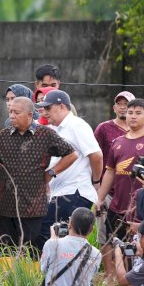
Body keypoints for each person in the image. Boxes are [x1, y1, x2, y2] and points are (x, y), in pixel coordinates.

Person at [0, 97, 78, 256]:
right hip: (5, 204)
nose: (12, 116)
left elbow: (71, 154)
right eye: (10, 112)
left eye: (17, 112)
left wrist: (51, 173)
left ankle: (28, 280)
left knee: (31, 252)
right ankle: (6, 280)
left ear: (30, 115)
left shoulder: (45, 134)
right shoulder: (2, 136)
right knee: (4, 251)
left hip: (33, 207)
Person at [96, 98, 144, 280]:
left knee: (140, 251)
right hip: (117, 205)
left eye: (138, 113)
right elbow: (110, 173)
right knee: (118, 246)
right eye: (130, 113)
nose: (133, 117)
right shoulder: (117, 142)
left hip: (142, 209)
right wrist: (99, 199)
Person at [38, 90, 103, 242]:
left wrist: (95, 181)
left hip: (75, 191)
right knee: (52, 236)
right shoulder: (55, 128)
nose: (44, 113)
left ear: (61, 106)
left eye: (48, 108)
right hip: (60, 191)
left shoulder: (76, 125)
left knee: (50, 235)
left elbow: (96, 155)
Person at [93, 90, 134, 278]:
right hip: (107, 190)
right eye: (120, 103)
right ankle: (109, 274)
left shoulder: (140, 131)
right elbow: (95, 155)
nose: (123, 107)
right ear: (114, 107)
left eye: (128, 104)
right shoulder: (104, 128)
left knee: (130, 235)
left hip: (131, 192)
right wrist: (97, 187)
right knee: (105, 234)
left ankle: (125, 274)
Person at [40, 207, 102, 286]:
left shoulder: (52, 244)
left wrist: (53, 241)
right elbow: (89, 276)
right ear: (91, 230)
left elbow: (43, 269)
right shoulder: (97, 254)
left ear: (70, 224)